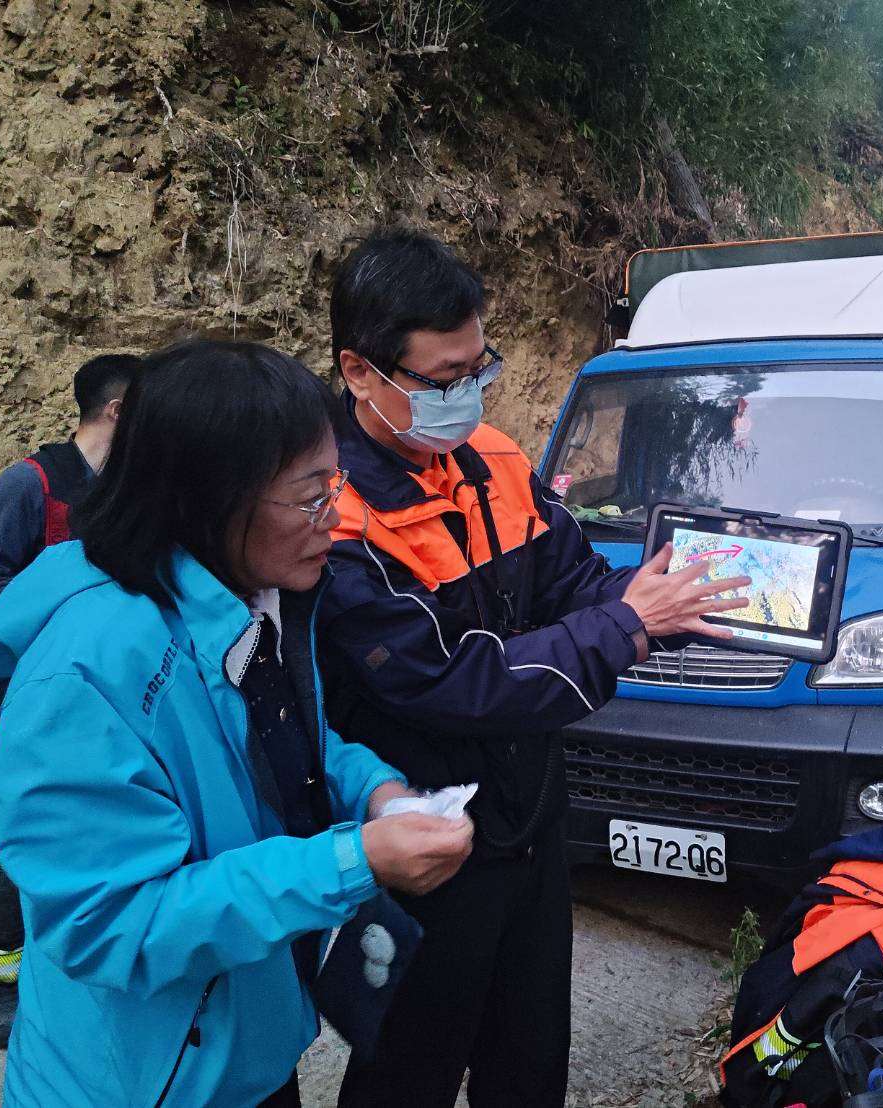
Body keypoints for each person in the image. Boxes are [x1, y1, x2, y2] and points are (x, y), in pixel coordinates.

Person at [0, 339, 473, 1106]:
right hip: (143, 1083)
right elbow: (114, 924)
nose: (336, 518)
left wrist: (374, 791)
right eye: (310, 495)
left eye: (334, 483)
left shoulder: (243, 600)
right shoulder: (82, 678)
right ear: (210, 500)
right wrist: (349, 863)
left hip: (245, 1051)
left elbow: (282, 742)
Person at [317, 228, 749, 1108]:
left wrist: (678, 597)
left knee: (529, 1050)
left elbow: (578, 585)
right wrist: (629, 624)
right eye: (444, 379)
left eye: (479, 369)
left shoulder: (496, 462)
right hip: (426, 837)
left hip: (532, 814)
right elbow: (447, 682)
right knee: (409, 1063)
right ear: (359, 371)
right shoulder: (333, 513)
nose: (467, 396)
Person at [0, 352, 141, 1048]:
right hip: (25, 700)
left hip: (104, 700)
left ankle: (57, 968)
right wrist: (62, 628)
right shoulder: (30, 483)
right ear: (117, 411)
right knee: (10, 841)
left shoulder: (132, 488)